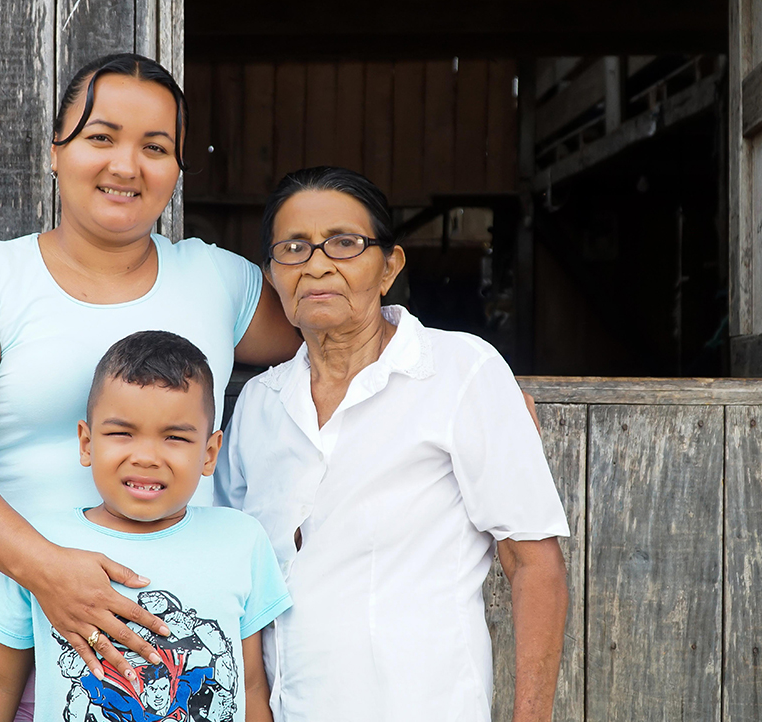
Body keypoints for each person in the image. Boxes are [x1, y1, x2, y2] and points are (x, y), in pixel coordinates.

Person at [0, 53, 299, 721]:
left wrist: (450, 374)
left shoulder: (217, 282)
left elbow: (341, 336)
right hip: (4, 622)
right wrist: (48, 572)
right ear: (56, 151)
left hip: (175, 636)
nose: (125, 165)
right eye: (100, 137)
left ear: (177, 170)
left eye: (155, 147)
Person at [216, 166, 570, 721]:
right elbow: (233, 571)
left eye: (344, 243)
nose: (317, 264)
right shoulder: (261, 404)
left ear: (389, 267)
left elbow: (534, 563)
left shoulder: (459, 372)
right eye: (294, 248)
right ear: (272, 275)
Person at [0, 331, 289, 722]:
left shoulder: (241, 540)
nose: (146, 457)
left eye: (175, 437)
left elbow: (249, 684)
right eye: (122, 433)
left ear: (210, 452)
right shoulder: (41, 545)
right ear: (86, 442)